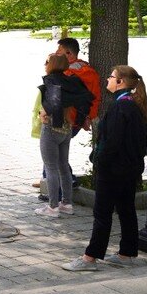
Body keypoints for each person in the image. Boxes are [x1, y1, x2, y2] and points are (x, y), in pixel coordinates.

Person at [63, 65, 147, 271]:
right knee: (126, 210)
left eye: (111, 77)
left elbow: (112, 142)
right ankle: (126, 254)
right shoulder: (134, 105)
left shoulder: (121, 107)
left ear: (120, 82)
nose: (107, 80)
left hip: (114, 170)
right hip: (128, 169)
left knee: (102, 213)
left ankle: (90, 258)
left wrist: (98, 159)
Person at [35, 53, 93, 217]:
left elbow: (52, 102)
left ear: (51, 64)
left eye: (46, 61)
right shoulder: (70, 80)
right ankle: (67, 204)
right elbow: (84, 99)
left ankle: (53, 207)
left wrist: (43, 112)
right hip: (66, 128)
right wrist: (83, 119)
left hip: (52, 128)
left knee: (51, 167)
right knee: (63, 166)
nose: (44, 64)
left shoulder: (51, 81)